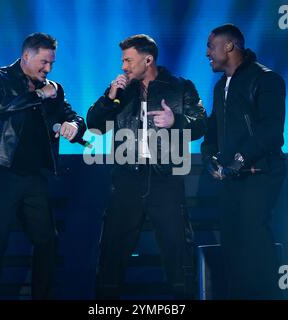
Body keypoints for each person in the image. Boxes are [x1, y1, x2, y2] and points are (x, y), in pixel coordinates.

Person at [87, 34, 207, 299]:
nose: (124, 66)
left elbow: (201, 124)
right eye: (123, 61)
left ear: (148, 59)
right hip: (127, 179)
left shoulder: (180, 87)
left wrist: (176, 120)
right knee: (112, 250)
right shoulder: (120, 89)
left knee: (178, 250)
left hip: (165, 179)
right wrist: (109, 97)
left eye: (128, 60)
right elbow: (94, 125)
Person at [0, 32, 86, 299]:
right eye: (44, 62)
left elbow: (72, 115)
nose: (48, 69)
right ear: (26, 55)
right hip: (2, 172)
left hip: (34, 176)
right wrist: (40, 95)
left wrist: (75, 125)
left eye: (51, 64)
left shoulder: (53, 88)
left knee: (47, 240)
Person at [201, 24, 286, 299]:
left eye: (211, 46)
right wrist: (210, 156)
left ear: (229, 46)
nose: (207, 53)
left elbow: (271, 131)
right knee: (232, 243)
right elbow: (213, 128)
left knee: (253, 240)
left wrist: (239, 159)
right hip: (232, 177)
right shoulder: (220, 87)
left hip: (260, 173)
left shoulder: (266, 79)